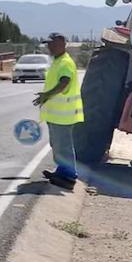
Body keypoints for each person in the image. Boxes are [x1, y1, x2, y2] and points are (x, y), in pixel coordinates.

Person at [32, 33, 84, 190]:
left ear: (62, 44)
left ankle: (68, 176)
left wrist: (46, 95)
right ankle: (62, 172)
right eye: (48, 44)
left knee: (63, 146)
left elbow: (64, 83)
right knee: (57, 144)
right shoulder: (57, 61)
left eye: (52, 44)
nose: (49, 47)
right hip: (57, 114)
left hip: (64, 114)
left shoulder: (65, 63)